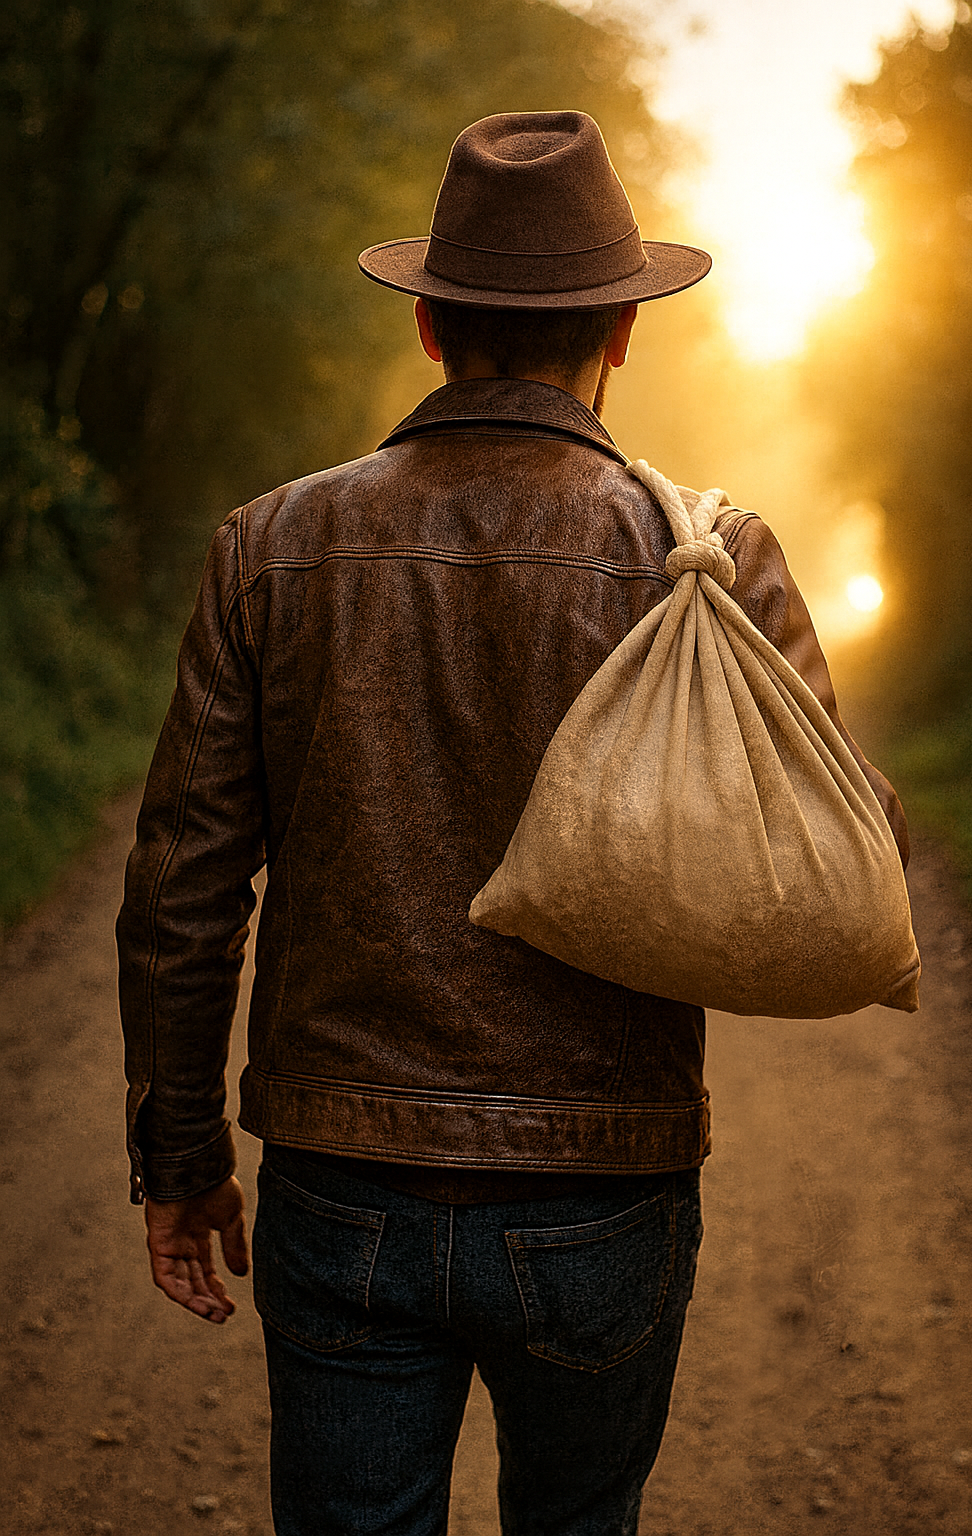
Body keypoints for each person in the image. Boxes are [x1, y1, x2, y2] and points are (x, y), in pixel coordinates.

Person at [117, 111, 909, 1535]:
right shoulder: (708, 563)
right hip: (603, 1190)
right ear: (622, 329)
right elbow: (855, 852)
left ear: (427, 326)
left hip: (338, 1178)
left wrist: (180, 1162)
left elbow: (182, 891)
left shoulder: (271, 546)